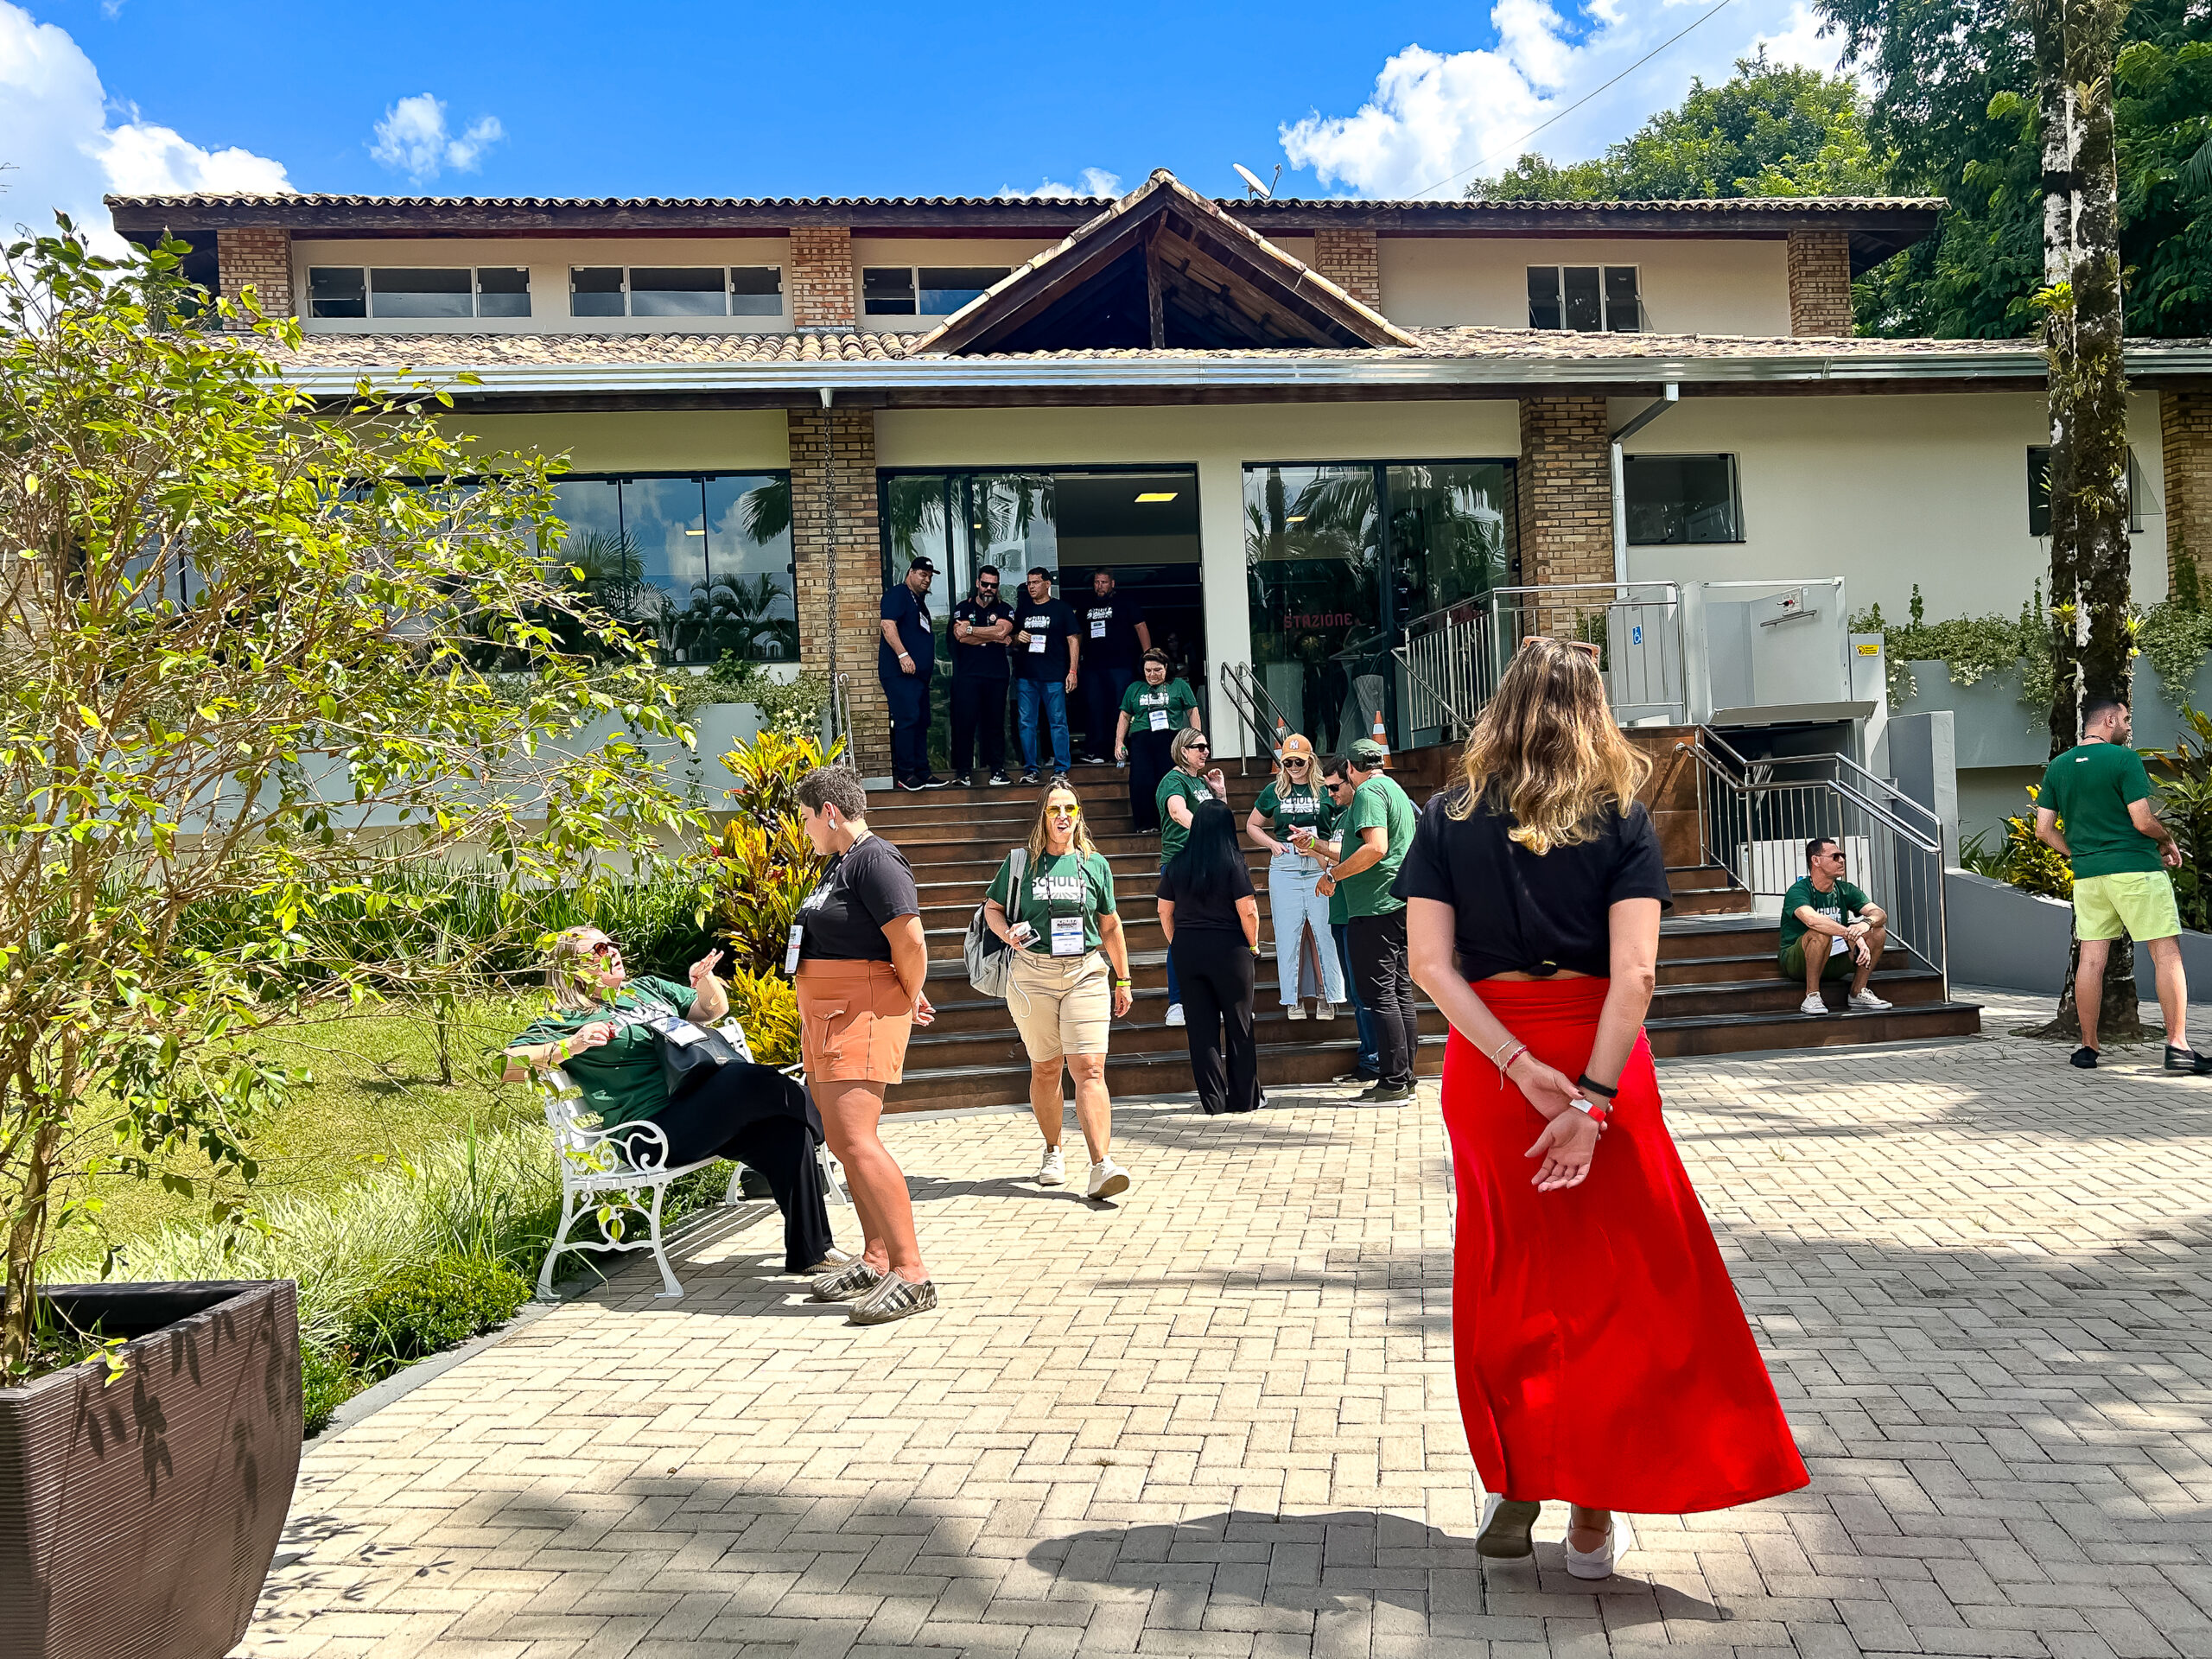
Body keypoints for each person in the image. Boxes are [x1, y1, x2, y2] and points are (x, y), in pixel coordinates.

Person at [1398, 636, 1808, 1582]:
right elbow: (1637, 976)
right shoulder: (1621, 817)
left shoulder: (1445, 816)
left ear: (1501, 706)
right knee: (1623, 1285)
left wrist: (1515, 1064)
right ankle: (1591, 1510)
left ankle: (1519, 1473)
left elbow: (1427, 966)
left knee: (1508, 1275)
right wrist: (1590, 1099)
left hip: (1492, 1062)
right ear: (1595, 713)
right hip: (1602, 1058)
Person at [504, 928, 843, 1278]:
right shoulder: (567, 1018)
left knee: (787, 1134)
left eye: (613, 944)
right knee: (745, 1079)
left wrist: (704, 980)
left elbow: (711, 1010)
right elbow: (507, 1066)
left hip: (699, 1111)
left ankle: (811, 1253)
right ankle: (838, 1130)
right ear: (573, 968)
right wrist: (571, 1045)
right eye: (600, 949)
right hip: (650, 1133)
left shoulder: (645, 989)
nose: (614, 952)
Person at [789, 766, 939, 1325]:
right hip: (829, 1014)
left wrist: (910, 992)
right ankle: (876, 1259)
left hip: (859, 1012)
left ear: (829, 812)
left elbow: (911, 941)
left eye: (807, 817)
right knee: (842, 1140)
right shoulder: (841, 862)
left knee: (857, 1140)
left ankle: (912, 1274)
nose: (805, 828)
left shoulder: (877, 860)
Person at [2034, 695, 2206, 1072]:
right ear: (2109, 720)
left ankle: (2088, 1047)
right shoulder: (2124, 759)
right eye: (2125, 719)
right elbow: (2142, 820)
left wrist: (2081, 854)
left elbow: (2043, 830)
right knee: (2166, 954)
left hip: (2089, 877)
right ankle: (2178, 1047)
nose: (2128, 727)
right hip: (2136, 870)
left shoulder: (2059, 766)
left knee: (2091, 960)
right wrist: (2167, 839)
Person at [983, 780, 1137, 1198]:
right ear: (1043, 816)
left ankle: (1101, 1165)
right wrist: (1007, 933)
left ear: (1079, 814)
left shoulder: (1095, 864)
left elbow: (1110, 924)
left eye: (1071, 808)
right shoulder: (1021, 863)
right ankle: (1053, 1149)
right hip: (1033, 973)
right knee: (1046, 1067)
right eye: (1055, 809)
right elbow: (992, 908)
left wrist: (1123, 978)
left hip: (1085, 972)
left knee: (1089, 1067)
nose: (1063, 816)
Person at [1310, 741, 1420, 1103]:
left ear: (1351, 769)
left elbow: (1375, 847)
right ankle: (1405, 1077)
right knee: (1400, 991)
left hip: (1375, 907)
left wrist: (1333, 875)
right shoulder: (1394, 788)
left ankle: (1393, 1081)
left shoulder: (1369, 793)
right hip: (1398, 902)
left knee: (1381, 994)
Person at [1159, 798, 1263, 1115]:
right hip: (1230, 949)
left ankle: (1213, 1101)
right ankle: (1244, 1099)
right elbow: (1248, 910)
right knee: (1239, 1024)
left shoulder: (1177, 863)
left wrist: (1177, 941)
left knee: (1200, 1028)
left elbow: (1164, 910)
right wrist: (1254, 945)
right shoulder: (1234, 861)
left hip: (1188, 948)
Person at [1246, 734, 1344, 1022]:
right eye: (1287, 763)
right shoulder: (1274, 790)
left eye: (1298, 762)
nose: (1293, 767)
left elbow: (1342, 816)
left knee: (1323, 931)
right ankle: (1293, 998)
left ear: (1310, 760)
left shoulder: (1325, 788)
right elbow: (1252, 824)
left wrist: (1325, 848)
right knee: (1289, 933)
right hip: (1286, 862)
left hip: (1319, 860)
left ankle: (1328, 995)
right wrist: (1272, 844)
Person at [1155, 726, 1229, 1027]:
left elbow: (1219, 819)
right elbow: (1177, 812)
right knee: (1182, 934)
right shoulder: (1173, 780)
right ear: (1183, 750)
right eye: (1199, 746)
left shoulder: (1201, 781)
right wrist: (1204, 830)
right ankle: (1177, 1002)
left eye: (1206, 746)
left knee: (1213, 933)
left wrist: (1220, 794)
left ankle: (1213, 999)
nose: (1205, 751)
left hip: (1210, 863)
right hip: (1182, 863)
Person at [1778, 837, 1895, 1015]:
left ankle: (1858, 992)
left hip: (1836, 955)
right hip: (1799, 962)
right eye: (1835, 856)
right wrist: (1853, 934)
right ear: (1816, 860)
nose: (1841, 860)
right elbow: (1812, 920)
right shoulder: (1799, 891)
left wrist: (1866, 924)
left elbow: (1879, 914)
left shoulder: (1845, 889)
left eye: (1842, 856)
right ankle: (1812, 996)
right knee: (1820, 933)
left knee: (1877, 932)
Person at [1116, 648, 1201, 834]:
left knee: (1169, 780)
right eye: (1148, 670)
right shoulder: (1134, 688)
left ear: (1166, 668)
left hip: (1170, 738)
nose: (1152, 675)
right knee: (1141, 781)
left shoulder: (1178, 685)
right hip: (1141, 739)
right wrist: (1119, 742)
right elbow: (1124, 715)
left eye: (1157, 670)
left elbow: (1192, 711)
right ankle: (1145, 824)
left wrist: (1196, 739)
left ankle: (1171, 823)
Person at [879, 556, 945, 791]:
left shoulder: (919, 602)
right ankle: (905, 774)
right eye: (922, 575)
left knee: (921, 721)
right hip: (900, 674)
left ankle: (922, 772)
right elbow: (887, 625)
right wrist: (903, 655)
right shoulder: (898, 594)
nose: (927, 580)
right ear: (911, 573)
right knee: (907, 720)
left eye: (930, 576)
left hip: (919, 678)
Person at [949, 564, 1015, 787]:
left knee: (995, 724)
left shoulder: (1005, 608)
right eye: (985, 584)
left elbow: (1002, 630)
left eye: (993, 586)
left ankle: (997, 771)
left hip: (996, 676)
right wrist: (992, 635)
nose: (989, 589)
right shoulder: (963, 607)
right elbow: (961, 637)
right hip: (968, 675)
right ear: (978, 583)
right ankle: (963, 773)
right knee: (965, 723)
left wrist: (971, 630)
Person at [1011, 566, 1079, 784]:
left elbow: (1073, 640)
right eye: (1029, 583)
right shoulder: (1022, 610)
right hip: (1026, 675)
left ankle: (1061, 768)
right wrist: (1017, 638)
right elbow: (1010, 640)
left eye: (1036, 582)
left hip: (1054, 675)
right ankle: (1031, 768)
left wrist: (1073, 671)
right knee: (1026, 723)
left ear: (1047, 584)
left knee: (1058, 722)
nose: (1031, 587)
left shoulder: (1061, 609)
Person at [1078, 569, 1150, 765]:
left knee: (1120, 707)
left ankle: (1120, 749)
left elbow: (1141, 627)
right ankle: (1096, 751)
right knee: (1095, 707)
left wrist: (1148, 657)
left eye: (1103, 582)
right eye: (1096, 582)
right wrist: (1075, 663)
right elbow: (1078, 635)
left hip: (1120, 666)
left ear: (1112, 584)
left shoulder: (1125, 603)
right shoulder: (1086, 605)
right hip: (1093, 667)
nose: (1099, 586)